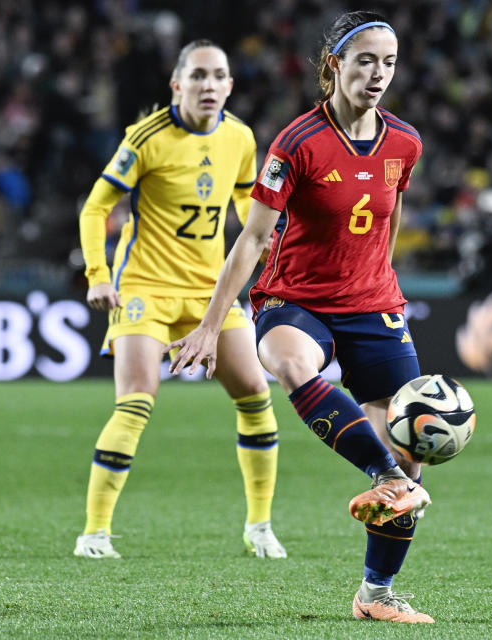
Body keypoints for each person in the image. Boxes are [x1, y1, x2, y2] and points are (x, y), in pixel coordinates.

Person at [168, 12, 434, 624]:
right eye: (365, 60)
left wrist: (381, 281)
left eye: (388, 62)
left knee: (412, 448)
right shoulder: (296, 143)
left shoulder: (406, 143)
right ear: (335, 64)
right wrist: (213, 321)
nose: (378, 73)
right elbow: (253, 239)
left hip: (373, 304)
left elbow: (391, 214)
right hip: (295, 296)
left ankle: (377, 595)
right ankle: (384, 474)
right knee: (288, 361)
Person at [74, 39, 287, 559]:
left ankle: (259, 526)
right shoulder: (146, 137)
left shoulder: (239, 137)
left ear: (230, 85)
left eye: (218, 76)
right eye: (197, 76)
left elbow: (243, 200)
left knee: (257, 398)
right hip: (144, 288)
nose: (209, 85)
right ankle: (94, 532)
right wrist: (98, 274)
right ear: (177, 84)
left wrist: (273, 238)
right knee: (137, 399)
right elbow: (94, 208)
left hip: (210, 291)